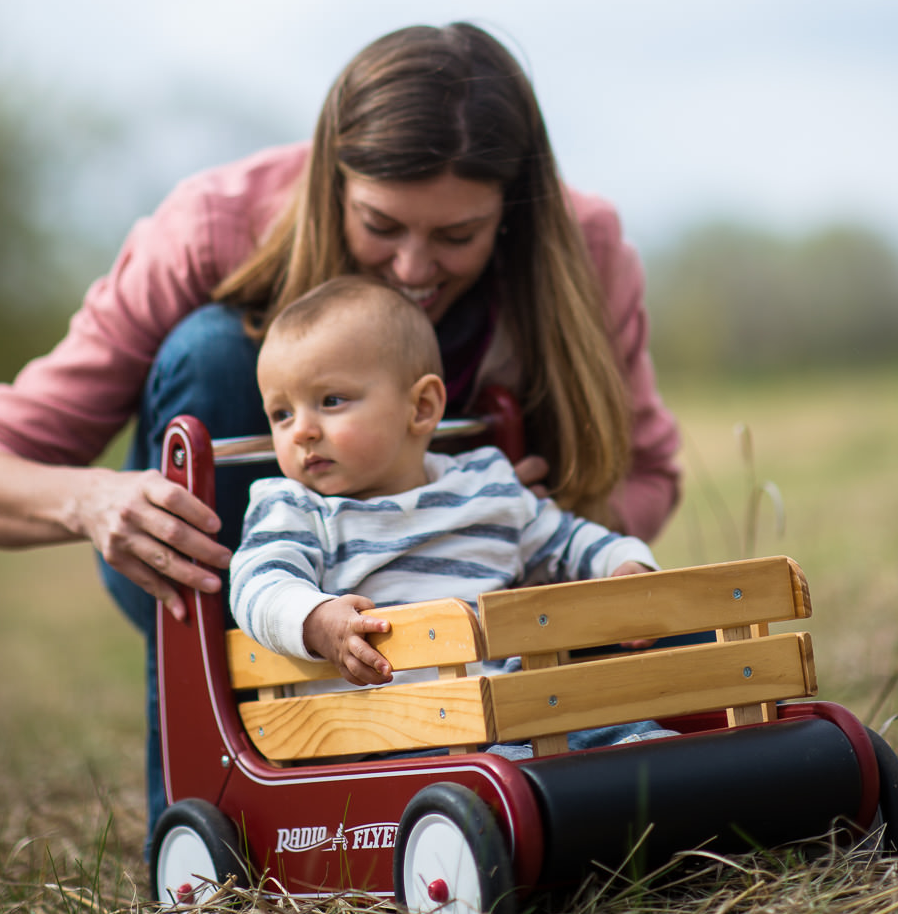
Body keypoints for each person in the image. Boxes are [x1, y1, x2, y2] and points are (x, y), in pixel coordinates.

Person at [0, 22, 682, 831]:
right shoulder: (213, 224)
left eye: (458, 236)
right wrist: (94, 502)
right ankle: (229, 801)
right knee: (215, 350)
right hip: (248, 571)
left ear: (512, 215)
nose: (415, 269)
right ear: (334, 181)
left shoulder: (584, 246)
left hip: (467, 587)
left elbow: (647, 473)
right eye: (382, 226)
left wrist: (534, 519)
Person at [232, 275, 670, 754]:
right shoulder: (297, 508)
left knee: (614, 722)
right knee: (515, 763)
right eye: (281, 415)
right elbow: (258, 582)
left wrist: (623, 566)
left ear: (421, 407)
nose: (302, 432)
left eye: (330, 401)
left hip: (517, 703)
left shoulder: (485, 486)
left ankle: (654, 767)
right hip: (395, 723)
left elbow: (566, 541)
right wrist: (315, 619)